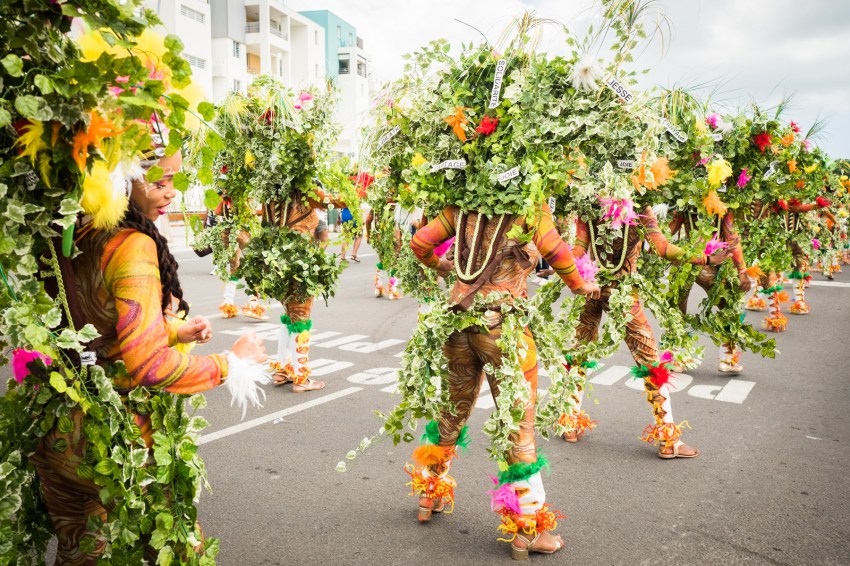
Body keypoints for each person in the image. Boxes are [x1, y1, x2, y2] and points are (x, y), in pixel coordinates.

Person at [31, 145, 268, 563]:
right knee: (180, 552)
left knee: (79, 555)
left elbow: (97, 328)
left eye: (174, 180)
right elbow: (150, 365)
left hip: (57, 434)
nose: (171, 192)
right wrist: (233, 363)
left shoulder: (67, 233)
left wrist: (175, 327)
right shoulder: (131, 245)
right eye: (160, 181)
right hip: (119, 444)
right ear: (119, 180)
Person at [408, 202, 599, 559]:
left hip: (459, 323)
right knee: (518, 426)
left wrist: (441, 264)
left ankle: (428, 493)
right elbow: (556, 250)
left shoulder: (461, 205)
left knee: (453, 412)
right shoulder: (530, 203)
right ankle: (527, 530)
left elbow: (420, 242)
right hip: (504, 330)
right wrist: (579, 283)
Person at [563, 205, 728, 457]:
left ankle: (569, 422)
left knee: (579, 352)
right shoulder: (640, 206)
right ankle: (668, 439)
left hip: (591, 287)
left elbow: (577, 250)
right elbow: (663, 248)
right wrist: (705, 259)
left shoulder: (589, 205)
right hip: (623, 293)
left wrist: (563, 269)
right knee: (650, 361)